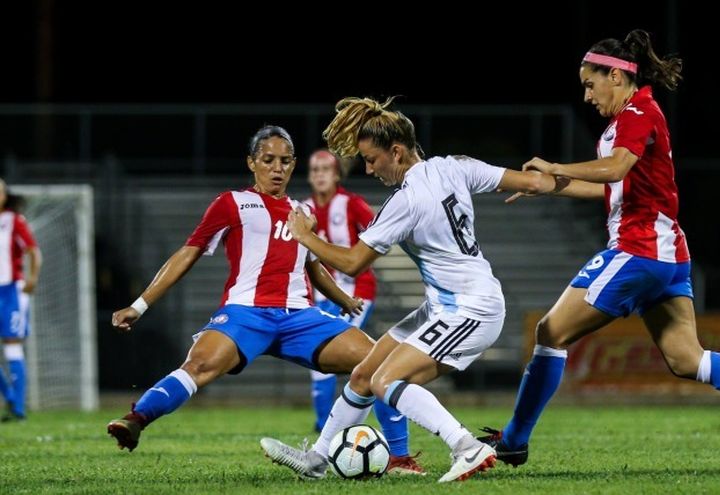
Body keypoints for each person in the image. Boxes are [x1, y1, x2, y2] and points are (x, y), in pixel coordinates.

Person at [477, 29, 720, 465]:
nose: (586, 96)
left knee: (550, 332)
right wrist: (548, 185)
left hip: (638, 250)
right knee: (687, 359)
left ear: (615, 76)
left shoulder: (638, 112)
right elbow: (614, 186)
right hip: (668, 255)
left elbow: (616, 168)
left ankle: (513, 440)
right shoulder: (633, 117)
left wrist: (557, 166)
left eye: (589, 84)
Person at [258, 96, 564, 483]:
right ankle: (317, 459)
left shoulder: (406, 200)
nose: (369, 169)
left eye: (372, 159)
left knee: (387, 381)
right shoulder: (453, 166)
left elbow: (352, 262)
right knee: (365, 374)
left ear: (397, 152)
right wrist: (604, 184)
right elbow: (535, 181)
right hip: (444, 305)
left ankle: (466, 446)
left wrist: (305, 236)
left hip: (469, 309)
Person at [106, 125, 378, 451]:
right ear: (251, 162)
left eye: (285, 161)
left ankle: (395, 455)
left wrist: (344, 299)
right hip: (246, 313)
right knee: (198, 366)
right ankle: (136, 419)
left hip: (299, 316)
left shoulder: (303, 213)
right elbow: (187, 254)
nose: (277, 168)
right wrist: (139, 306)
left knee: (377, 361)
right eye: (268, 160)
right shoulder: (231, 203)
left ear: (293, 165)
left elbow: (314, 268)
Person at [302, 149, 423, 475]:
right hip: (319, 296)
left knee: (369, 363)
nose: (320, 174)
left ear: (337, 174)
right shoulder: (304, 210)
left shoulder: (351, 203)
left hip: (355, 293)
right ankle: (326, 432)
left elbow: (380, 233)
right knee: (323, 368)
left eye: (325, 168)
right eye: (314, 169)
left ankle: (391, 448)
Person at [0, 181, 41, 422]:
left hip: (9, 292)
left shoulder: (14, 220)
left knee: (12, 344)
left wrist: (32, 278)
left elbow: (33, 251)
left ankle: (18, 409)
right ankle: (10, 398)